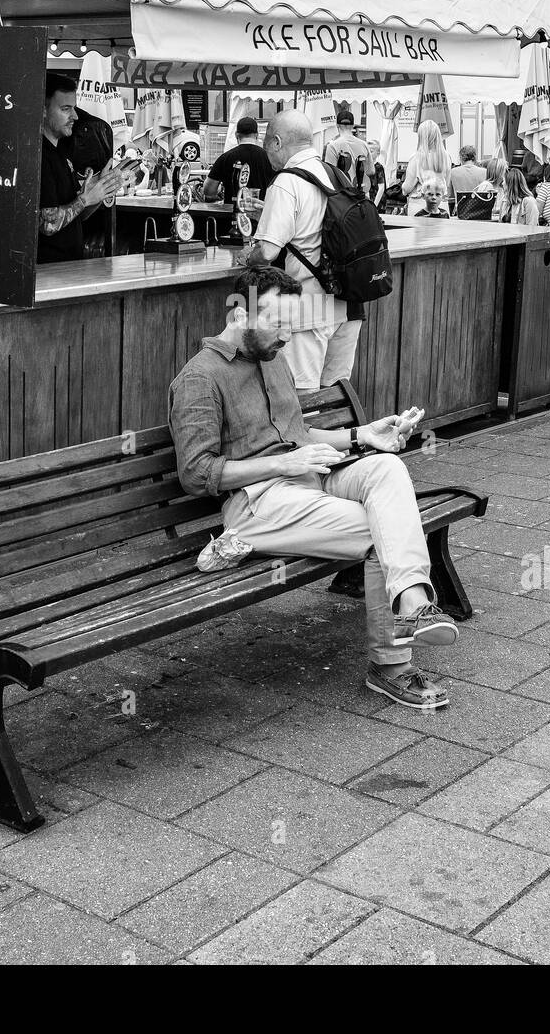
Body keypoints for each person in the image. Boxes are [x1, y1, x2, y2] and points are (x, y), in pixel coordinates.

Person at [167, 265, 457, 709]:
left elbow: (300, 437)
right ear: (241, 313)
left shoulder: (272, 360)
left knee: (386, 469)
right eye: (280, 323)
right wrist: (282, 463)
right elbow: (197, 474)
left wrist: (363, 437)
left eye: (293, 324)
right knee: (385, 529)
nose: (288, 337)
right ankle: (391, 665)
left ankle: (413, 603)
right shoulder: (199, 378)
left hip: (308, 481)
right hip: (260, 502)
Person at [246, 109, 364, 392]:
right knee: (336, 398)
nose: (268, 157)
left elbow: (268, 252)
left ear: (276, 142)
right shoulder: (336, 174)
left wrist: (248, 255)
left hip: (309, 307)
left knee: (303, 399)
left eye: (267, 148)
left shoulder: (287, 181)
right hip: (348, 304)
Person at [38, 74, 121, 264]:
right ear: (43, 110)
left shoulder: (62, 151)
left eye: (74, 108)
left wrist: (100, 190)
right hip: (47, 270)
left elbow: (76, 216)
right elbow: (47, 224)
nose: (75, 116)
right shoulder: (39, 156)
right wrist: (85, 199)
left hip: (70, 265)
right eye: (66, 109)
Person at [202, 116, 274, 203]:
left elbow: (208, 191)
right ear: (257, 135)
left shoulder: (225, 158)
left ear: (236, 135)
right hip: (261, 212)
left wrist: (220, 189)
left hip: (233, 212)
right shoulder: (270, 157)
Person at [401, 119, 452, 214]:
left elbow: (407, 188)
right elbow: (447, 183)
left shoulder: (416, 157)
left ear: (421, 137)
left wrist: (403, 188)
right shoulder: (446, 157)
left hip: (419, 204)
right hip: (441, 205)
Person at [324, 110, 375, 193]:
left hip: (343, 196)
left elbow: (329, 174)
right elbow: (371, 171)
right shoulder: (364, 145)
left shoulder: (332, 146)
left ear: (337, 125)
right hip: (361, 195)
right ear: (353, 125)